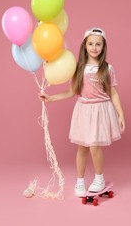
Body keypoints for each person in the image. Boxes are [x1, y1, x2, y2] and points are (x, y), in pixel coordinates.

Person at [39, 27, 125, 197]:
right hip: (84, 110)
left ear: (103, 47)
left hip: (100, 109)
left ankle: (99, 178)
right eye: (91, 44)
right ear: (85, 46)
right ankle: (80, 181)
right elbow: (72, 92)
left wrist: (120, 113)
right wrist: (51, 98)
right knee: (83, 148)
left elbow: (113, 92)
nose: (94, 47)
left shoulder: (107, 68)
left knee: (94, 147)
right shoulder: (79, 68)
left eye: (98, 44)